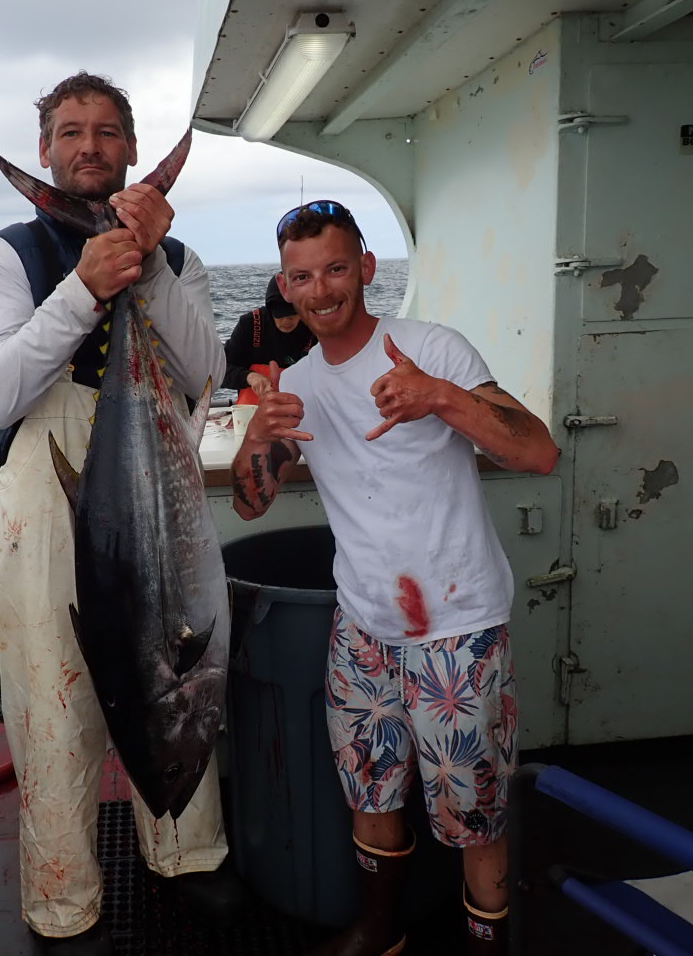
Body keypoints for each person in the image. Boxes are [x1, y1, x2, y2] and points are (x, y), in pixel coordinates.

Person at [230, 200, 560, 956]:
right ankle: (381, 930)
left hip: (459, 628)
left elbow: (537, 453)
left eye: (336, 268)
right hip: (364, 628)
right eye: (303, 276)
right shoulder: (301, 385)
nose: (321, 290)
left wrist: (440, 397)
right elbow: (250, 502)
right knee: (369, 790)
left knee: (476, 815)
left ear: (367, 269)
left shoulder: (431, 348)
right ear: (287, 285)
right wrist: (258, 434)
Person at [0, 72, 240, 955]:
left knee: (177, 658)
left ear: (131, 148)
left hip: (149, 468)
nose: (90, 145)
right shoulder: (7, 256)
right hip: (47, 489)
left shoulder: (179, 255)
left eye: (109, 131)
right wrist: (85, 286)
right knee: (53, 701)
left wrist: (150, 267)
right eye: (71, 131)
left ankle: (187, 856)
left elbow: (206, 374)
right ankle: (63, 900)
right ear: (47, 150)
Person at [222, 274, 316, 403]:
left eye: (293, 314)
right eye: (280, 315)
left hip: (304, 405)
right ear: (270, 309)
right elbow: (220, 371)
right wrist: (249, 376)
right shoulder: (250, 324)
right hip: (255, 409)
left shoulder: (314, 324)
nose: (287, 321)